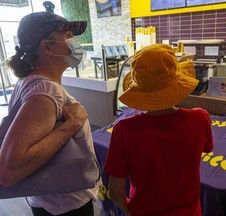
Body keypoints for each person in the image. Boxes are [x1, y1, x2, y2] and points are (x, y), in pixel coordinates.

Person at [0, 12, 101, 216]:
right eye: (69, 35)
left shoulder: (30, 82)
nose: (75, 42)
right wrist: (71, 125)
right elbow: (8, 171)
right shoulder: (46, 91)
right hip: (66, 205)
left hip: (51, 199)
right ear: (47, 46)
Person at [104, 44, 214, 216]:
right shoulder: (200, 118)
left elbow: (115, 194)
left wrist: (130, 211)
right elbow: (207, 148)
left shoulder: (123, 130)